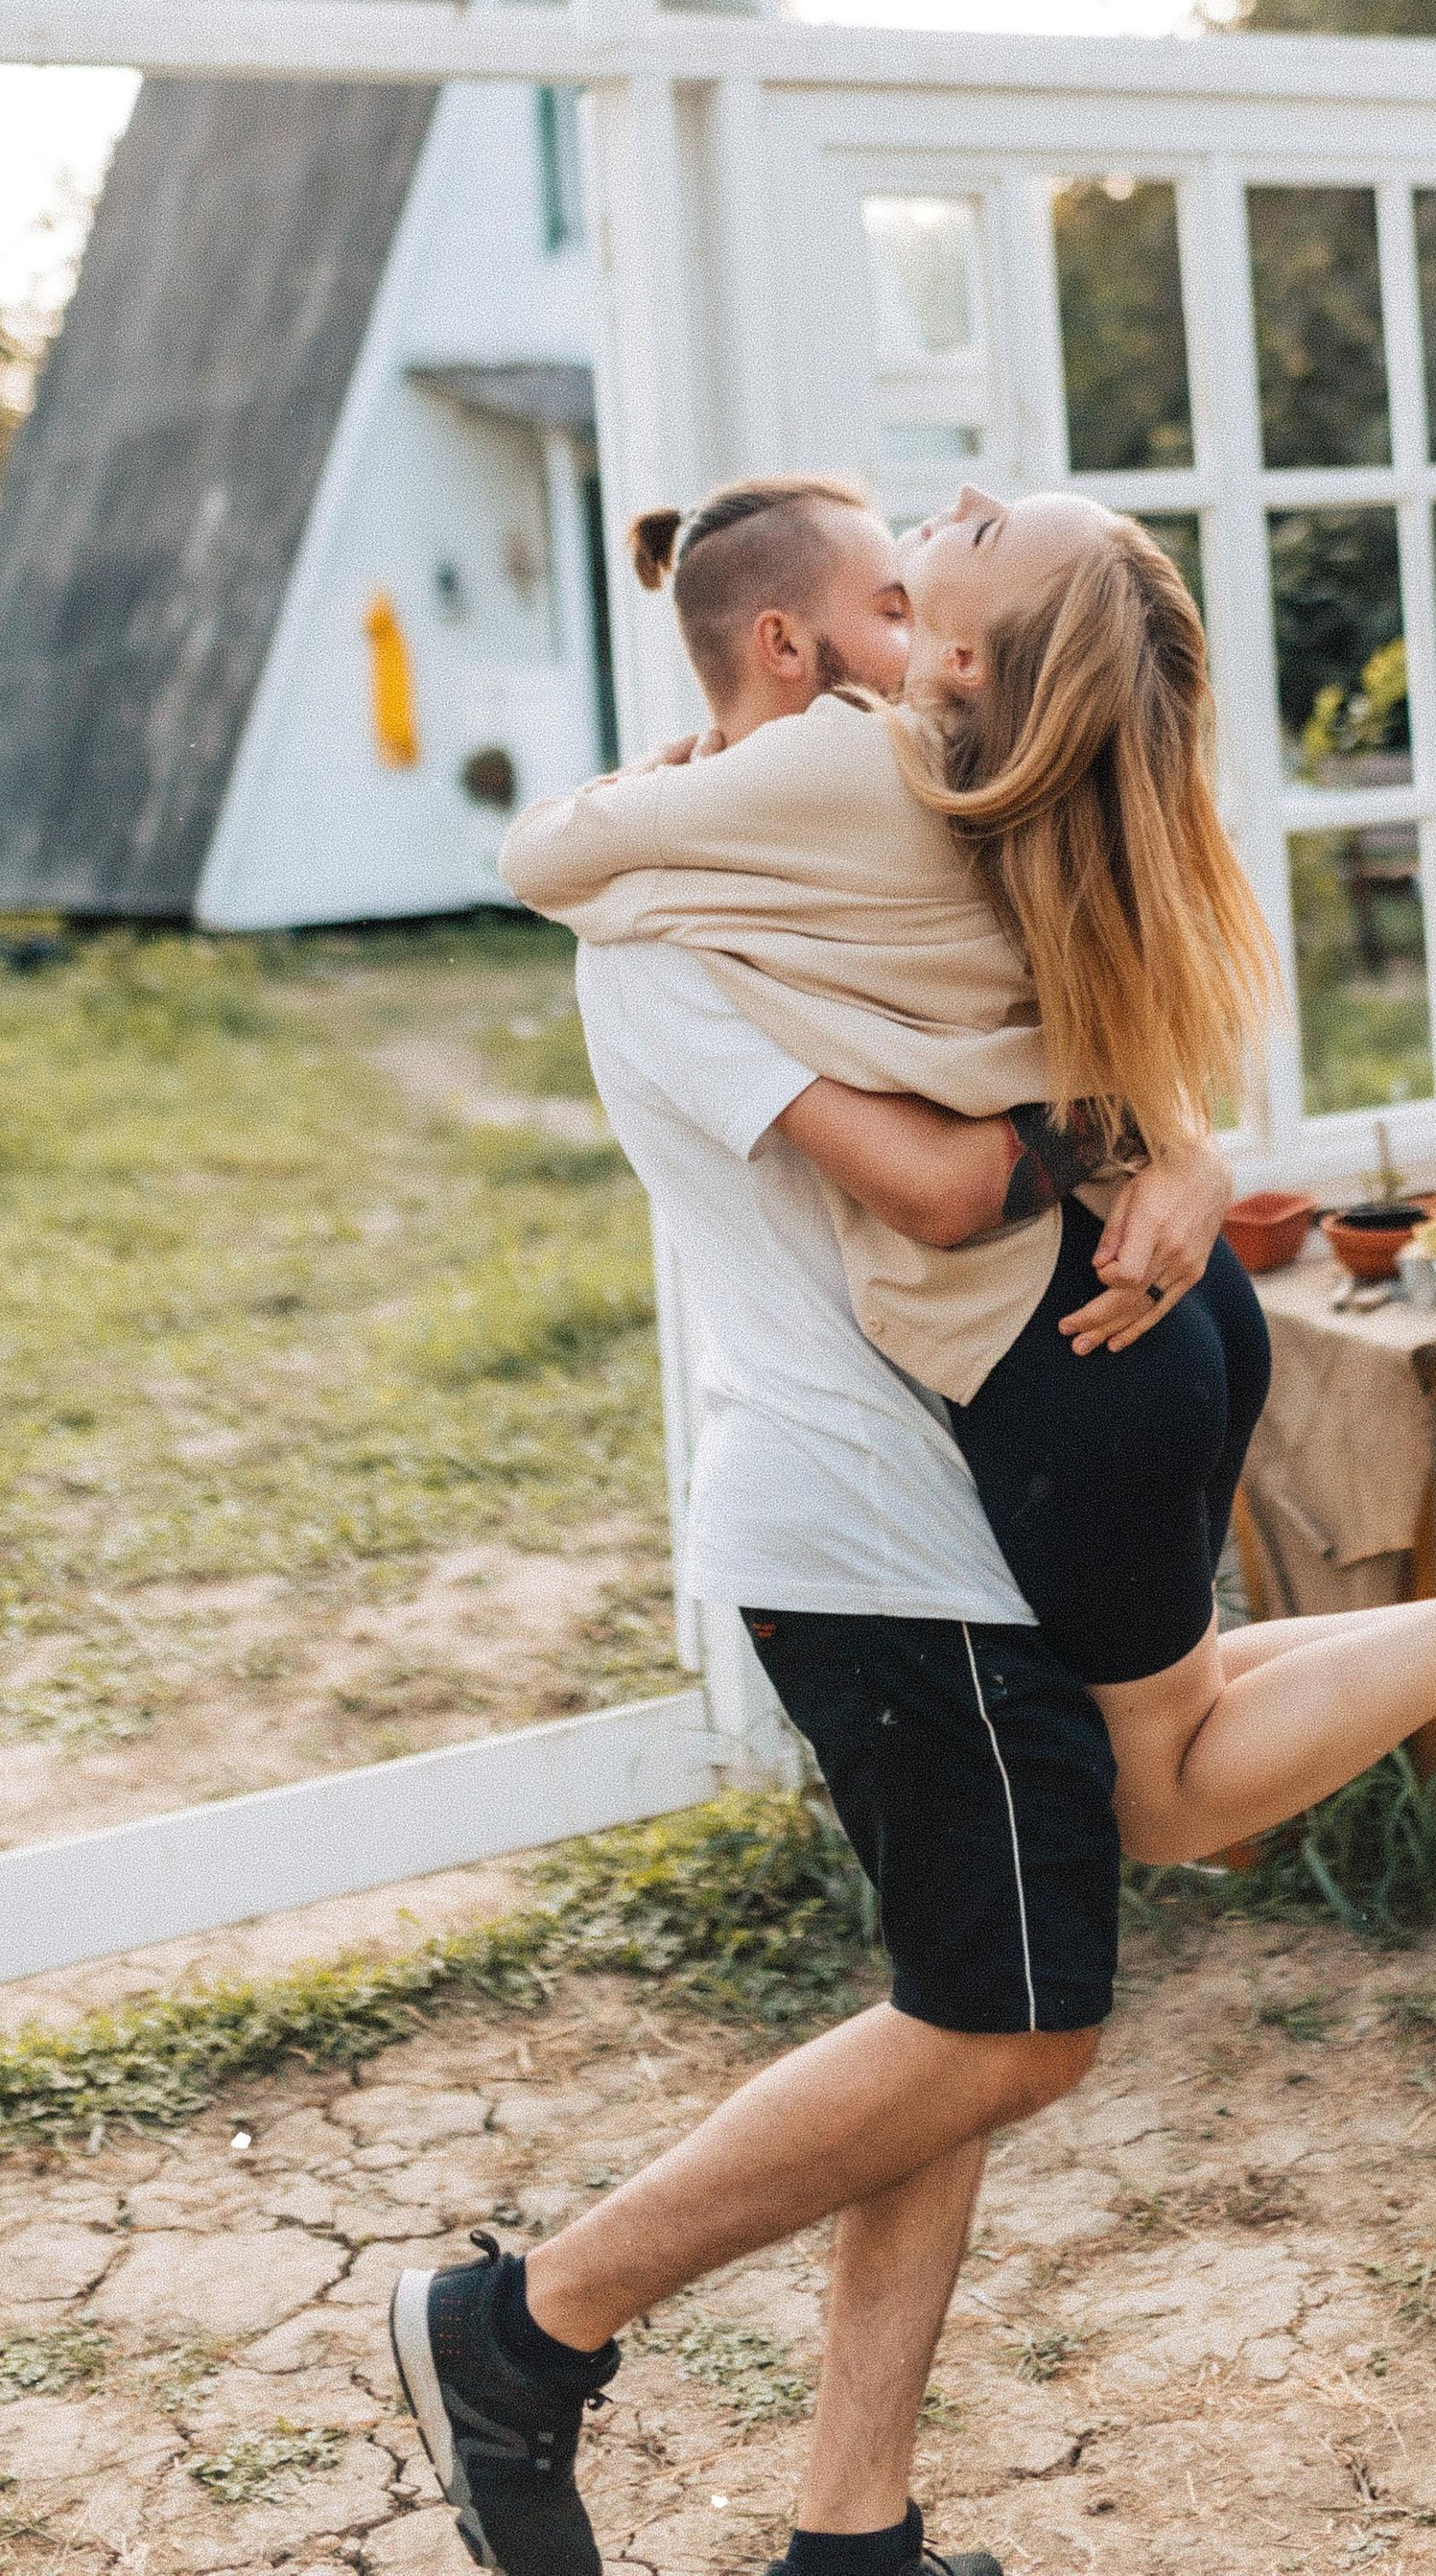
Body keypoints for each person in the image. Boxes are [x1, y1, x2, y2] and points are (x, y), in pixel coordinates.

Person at [502, 475, 1436, 1869]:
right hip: (1168, 1306)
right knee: (1193, 1697)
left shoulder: (848, 767)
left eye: (977, 537)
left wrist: (669, 784)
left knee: (1160, 1802)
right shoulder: (1019, 796)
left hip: (1059, 1347)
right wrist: (1174, 1141)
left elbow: (545, 856)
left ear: (958, 658)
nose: (970, 493)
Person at [390, 477, 1232, 2576]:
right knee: (1012, 2030)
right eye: (879, 598)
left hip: (960, 1506)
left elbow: (1078, 1013)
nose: (909, 636)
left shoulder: (891, 846)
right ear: (797, 647)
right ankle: (524, 2326)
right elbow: (947, 1187)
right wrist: (1094, 1141)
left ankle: (851, 2534)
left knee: (952, 2035)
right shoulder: (665, 939)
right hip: (862, 1534)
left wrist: (1185, 1151)